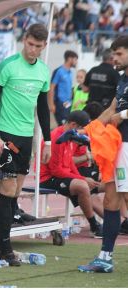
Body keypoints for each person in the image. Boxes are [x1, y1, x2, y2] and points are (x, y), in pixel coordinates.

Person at [0, 23, 52, 266]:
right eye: (30, 44)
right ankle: (6, 247)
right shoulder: (8, 65)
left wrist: (47, 141)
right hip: (6, 135)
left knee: (15, 192)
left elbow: (43, 108)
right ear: (25, 40)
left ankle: (0, 246)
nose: (33, 50)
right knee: (8, 189)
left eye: (38, 46)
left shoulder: (43, 71)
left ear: (44, 46)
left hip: (26, 137)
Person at [79, 35, 128, 273]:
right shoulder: (122, 78)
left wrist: (124, 116)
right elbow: (112, 108)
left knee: (123, 197)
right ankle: (105, 257)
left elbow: (120, 113)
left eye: (119, 54)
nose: (114, 58)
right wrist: (87, 130)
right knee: (112, 198)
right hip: (118, 146)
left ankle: (105, 256)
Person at [40, 111, 103, 238]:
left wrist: (82, 178)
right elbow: (56, 170)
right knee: (83, 186)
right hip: (48, 178)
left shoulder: (69, 137)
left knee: (107, 184)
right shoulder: (57, 137)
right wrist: (83, 178)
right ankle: (94, 226)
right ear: (74, 124)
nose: (82, 133)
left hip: (62, 175)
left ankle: (118, 222)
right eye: (81, 129)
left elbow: (70, 163)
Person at [49, 50, 78, 125]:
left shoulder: (70, 72)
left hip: (68, 104)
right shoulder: (59, 71)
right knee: (62, 126)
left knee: (67, 126)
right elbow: (51, 88)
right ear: (69, 59)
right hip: (60, 104)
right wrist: (51, 104)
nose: (76, 62)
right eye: (75, 59)